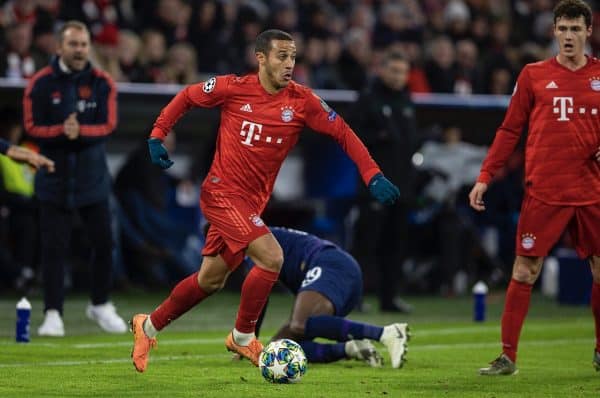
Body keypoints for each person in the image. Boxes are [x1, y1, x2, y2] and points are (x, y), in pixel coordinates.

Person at [130, 29, 400, 373]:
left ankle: (147, 326)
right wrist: (157, 133)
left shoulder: (302, 101)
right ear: (261, 58)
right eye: (281, 56)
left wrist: (372, 174)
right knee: (272, 257)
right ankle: (243, 338)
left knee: (210, 280)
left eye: (293, 57)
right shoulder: (233, 87)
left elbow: (343, 133)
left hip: (251, 204)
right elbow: (186, 96)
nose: (289, 64)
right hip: (221, 193)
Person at [469, 0, 600, 375]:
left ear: (588, 32)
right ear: (554, 31)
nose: (570, 36)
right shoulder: (533, 75)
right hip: (545, 189)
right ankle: (508, 356)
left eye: (577, 29)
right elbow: (510, 129)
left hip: (593, 192)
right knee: (525, 271)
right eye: (564, 28)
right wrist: (485, 176)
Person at [23, 20, 127, 337]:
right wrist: (60, 132)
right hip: (53, 179)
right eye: (73, 44)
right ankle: (53, 314)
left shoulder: (102, 82)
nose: (80, 50)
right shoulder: (39, 83)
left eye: (84, 44)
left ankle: (100, 303)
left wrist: (80, 131)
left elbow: (109, 125)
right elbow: (31, 127)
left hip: (92, 180)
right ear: (59, 47)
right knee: (54, 249)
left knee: (104, 244)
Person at [245, 226, 410, 368]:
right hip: (334, 277)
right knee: (276, 350)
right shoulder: (257, 234)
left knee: (299, 325)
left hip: (331, 265)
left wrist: (247, 342)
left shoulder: (254, 240)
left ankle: (386, 333)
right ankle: (350, 349)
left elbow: (258, 295)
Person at [352, 51, 418, 313]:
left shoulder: (406, 101)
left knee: (395, 245)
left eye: (402, 71)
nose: (398, 76)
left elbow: (408, 141)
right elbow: (352, 134)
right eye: (393, 71)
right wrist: (379, 136)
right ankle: (353, 296)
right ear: (382, 70)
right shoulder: (369, 99)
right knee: (366, 244)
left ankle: (389, 299)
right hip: (375, 186)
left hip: (402, 186)